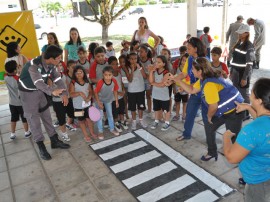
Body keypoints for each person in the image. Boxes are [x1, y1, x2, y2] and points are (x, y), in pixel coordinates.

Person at [169, 57, 244, 161]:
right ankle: (212, 152)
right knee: (209, 127)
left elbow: (213, 106)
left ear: (200, 71)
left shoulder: (209, 84)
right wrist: (178, 81)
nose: (192, 71)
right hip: (224, 111)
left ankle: (243, 163)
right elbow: (192, 89)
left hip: (235, 112)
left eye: (193, 69)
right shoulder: (203, 79)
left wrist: (209, 116)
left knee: (234, 138)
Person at [18, 45, 70, 161]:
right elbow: (39, 83)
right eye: (58, 58)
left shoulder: (52, 65)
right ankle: (41, 146)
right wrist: (53, 91)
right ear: (51, 58)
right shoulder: (34, 65)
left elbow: (57, 79)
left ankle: (54, 140)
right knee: (34, 120)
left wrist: (64, 93)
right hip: (28, 93)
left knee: (46, 116)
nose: (60, 60)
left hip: (41, 91)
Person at [223, 78, 270, 202]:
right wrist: (249, 108)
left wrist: (226, 137)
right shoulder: (261, 126)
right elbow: (264, 125)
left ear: (259, 101)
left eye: (252, 93)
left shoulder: (251, 130)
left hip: (258, 184)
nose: (249, 94)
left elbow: (231, 158)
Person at [174, 37, 206, 141]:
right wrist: (174, 80)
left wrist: (185, 87)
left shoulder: (204, 61)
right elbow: (184, 73)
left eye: (189, 48)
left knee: (207, 118)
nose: (187, 50)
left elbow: (203, 78)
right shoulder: (190, 58)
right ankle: (186, 134)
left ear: (196, 49)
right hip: (194, 91)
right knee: (189, 113)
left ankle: (211, 141)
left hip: (205, 93)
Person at [230, 24, 255, 121]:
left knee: (244, 94)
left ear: (246, 33)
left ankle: (247, 113)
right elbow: (234, 59)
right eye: (239, 33)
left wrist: (245, 78)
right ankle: (239, 109)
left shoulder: (249, 46)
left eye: (241, 33)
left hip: (243, 74)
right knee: (237, 92)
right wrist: (231, 71)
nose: (239, 35)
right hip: (235, 72)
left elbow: (249, 64)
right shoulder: (238, 43)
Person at [48, 62, 76, 142]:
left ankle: (68, 124)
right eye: (56, 66)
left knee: (71, 113)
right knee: (61, 118)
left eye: (60, 65)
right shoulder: (50, 78)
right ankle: (64, 133)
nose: (59, 67)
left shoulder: (63, 75)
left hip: (67, 98)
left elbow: (67, 85)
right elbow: (50, 89)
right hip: (57, 101)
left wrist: (69, 95)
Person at [4, 60, 31, 140]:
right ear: (15, 70)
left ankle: (12, 133)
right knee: (24, 118)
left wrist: (16, 70)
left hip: (12, 103)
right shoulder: (18, 79)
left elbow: (8, 73)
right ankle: (26, 132)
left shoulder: (5, 77)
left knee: (13, 118)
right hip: (21, 103)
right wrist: (20, 70)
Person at [69, 65, 96, 142]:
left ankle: (92, 133)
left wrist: (89, 97)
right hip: (77, 106)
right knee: (81, 121)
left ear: (83, 73)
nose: (79, 74)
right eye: (77, 73)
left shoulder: (87, 82)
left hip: (87, 105)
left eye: (80, 72)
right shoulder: (73, 83)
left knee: (89, 119)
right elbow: (71, 94)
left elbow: (91, 91)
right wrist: (79, 93)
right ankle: (86, 135)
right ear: (74, 74)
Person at [94, 66, 120, 139]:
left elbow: (115, 91)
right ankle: (100, 131)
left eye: (109, 75)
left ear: (112, 75)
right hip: (100, 100)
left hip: (108, 100)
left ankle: (112, 129)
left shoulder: (114, 81)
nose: (108, 77)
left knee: (110, 115)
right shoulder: (100, 82)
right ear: (103, 74)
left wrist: (116, 101)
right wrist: (99, 102)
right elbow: (95, 92)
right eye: (106, 75)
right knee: (100, 116)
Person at [149, 55, 171, 131]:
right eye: (156, 62)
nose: (156, 63)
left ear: (164, 64)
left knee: (166, 110)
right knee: (156, 109)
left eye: (159, 62)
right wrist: (151, 71)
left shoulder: (166, 73)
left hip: (164, 96)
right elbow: (151, 81)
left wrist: (153, 83)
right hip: (155, 94)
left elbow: (162, 85)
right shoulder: (155, 71)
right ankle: (156, 121)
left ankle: (167, 122)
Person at [126, 52, 148, 130]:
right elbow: (130, 79)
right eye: (131, 59)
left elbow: (145, 76)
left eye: (135, 58)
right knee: (132, 107)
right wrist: (132, 70)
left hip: (140, 89)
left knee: (141, 106)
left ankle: (141, 120)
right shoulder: (127, 67)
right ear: (128, 60)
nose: (134, 60)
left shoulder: (140, 66)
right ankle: (134, 121)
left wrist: (140, 68)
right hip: (131, 91)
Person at [108, 56, 128, 132]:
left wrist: (122, 90)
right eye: (113, 64)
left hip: (120, 97)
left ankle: (122, 121)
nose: (116, 66)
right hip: (113, 98)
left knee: (121, 110)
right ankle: (116, 122)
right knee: (115, 111)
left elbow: (121, 83)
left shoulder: (119, 74)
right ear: (109, 65)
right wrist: (118, 92)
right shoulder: (109, 76)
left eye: (117, 64)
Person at [172, 53, 189, 122]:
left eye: (186, 61)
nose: (184, 62)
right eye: (183, 60)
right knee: (177, 102)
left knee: (185, 103)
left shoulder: (189, 70)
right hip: (177, 90)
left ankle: (184, 116)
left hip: (185, 91)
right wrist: (174, 88)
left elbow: (189, 81)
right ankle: (177, 115)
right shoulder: (178, 69)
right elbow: (174, 78)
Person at [139, 44, 153, 113]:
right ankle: (142, 107)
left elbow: (150, 74)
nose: (140, 53)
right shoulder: (138, 60)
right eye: (139, 51)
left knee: (148, 95)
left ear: (146, 52)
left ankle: (149, 109)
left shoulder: (150, 61)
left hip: (147, 81)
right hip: (140, 81)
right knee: (141, 96)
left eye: (141, 51)